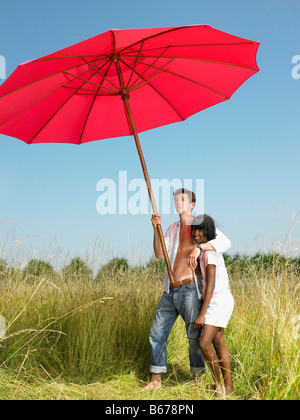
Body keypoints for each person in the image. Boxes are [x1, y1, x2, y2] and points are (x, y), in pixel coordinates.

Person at [140, 188, 231, 391]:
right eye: (176, 199)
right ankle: (156, 379)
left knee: (193, 337)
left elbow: (225, 242)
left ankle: (197, 379)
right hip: (169, 290)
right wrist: (156, 229)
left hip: (190, 288)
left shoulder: (199, 226)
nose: (178, 202)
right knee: (157, 333)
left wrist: (199, 248)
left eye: (183, 199)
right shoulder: (172, 228)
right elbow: (158, 253)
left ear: (192, 204)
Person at [192, 214, 234, 398]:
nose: (196, 233)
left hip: (218, 301)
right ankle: (229, 388)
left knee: (204, 343)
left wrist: (202, 314)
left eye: (200, 230)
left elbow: (211, 286)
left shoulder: (209, 252)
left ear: (208, 231)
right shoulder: (204, 252)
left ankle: (219, 386)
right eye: (194, 229)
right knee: (219, 343)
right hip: (218, 299)